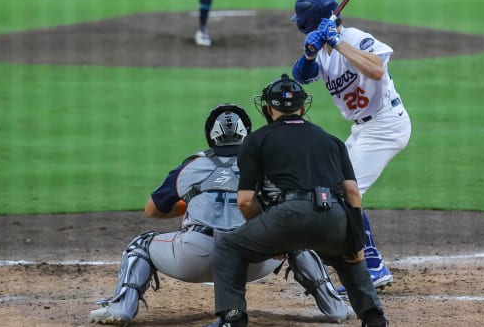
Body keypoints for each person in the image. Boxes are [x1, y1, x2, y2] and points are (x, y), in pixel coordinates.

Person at [89, 103, 352, 326]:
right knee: (296, 238)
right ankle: (335, 307)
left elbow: (152, 209)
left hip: (193, 258)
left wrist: (188, 204)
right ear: (247, 134)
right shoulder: (268, 163)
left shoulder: (193, 165)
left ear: (211, 136)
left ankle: (121, 308)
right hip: (254, 260)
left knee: (141, 245)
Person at [209, 74, 388, 327]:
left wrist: (269, 233)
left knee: (228, 247)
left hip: (287, 217)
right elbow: (352, 195)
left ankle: (232, 318)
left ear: (269, 109)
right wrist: (356, 242)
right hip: (334, 216)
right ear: (302, 108)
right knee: (349, 255)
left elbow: (245, 201)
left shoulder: (256, 140)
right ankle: (374, 317)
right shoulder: (332, 141)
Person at [290, 0, 412, 290]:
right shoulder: (321, 48)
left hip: (385, 126)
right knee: (329, 185)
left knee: (345, 192)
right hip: (362, 130)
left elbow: (375, 68)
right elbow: (301, 77)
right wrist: (308, 54)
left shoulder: (356, 39)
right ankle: (358, 259)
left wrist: (339, 43)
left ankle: (372, 267)